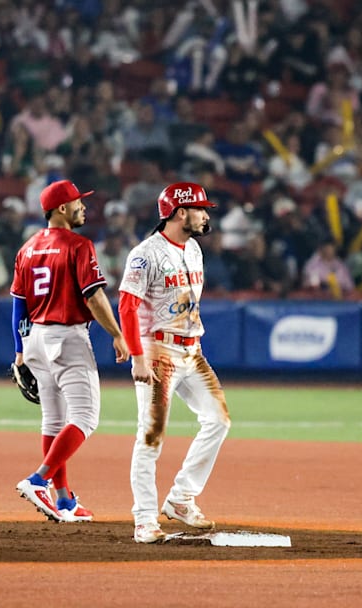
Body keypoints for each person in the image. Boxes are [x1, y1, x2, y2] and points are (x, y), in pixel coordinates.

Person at [117, 182, 231, 544]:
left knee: (218, 420)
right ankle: (144, 518)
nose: (205, 215)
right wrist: (136, 354)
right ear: (181, 212)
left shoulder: (194, 249)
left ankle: (181, 498)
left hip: (192, 350)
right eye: (200, 208)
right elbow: (126, 306)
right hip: (157, 352)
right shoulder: (145, 254)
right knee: (150, 436)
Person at [11, 179, 130, 523]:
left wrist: (19, 353)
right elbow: (93, 296)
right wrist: (117, 335)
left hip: (35, 338)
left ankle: (63, 500)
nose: (83, 207)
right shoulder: (79, 245)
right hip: (67, 337)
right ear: (61, 209)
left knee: (54, 420)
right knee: (84, 419)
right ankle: (39, 480)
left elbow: (18, 305)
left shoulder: (27, 247)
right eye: (78, 202)